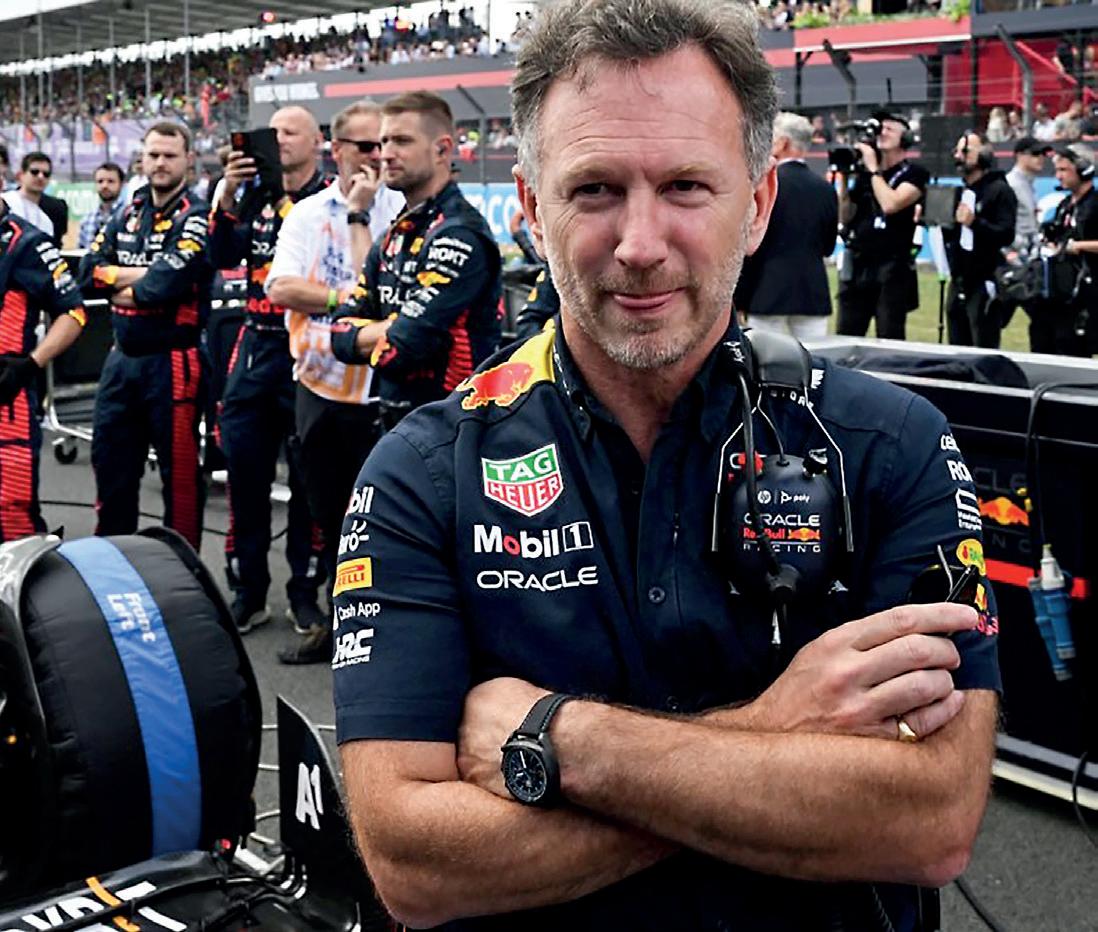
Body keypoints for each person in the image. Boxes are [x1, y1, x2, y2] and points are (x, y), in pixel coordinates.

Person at [332, 1, 1001, 929]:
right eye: (594, 190)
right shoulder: (420, 472)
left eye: (686, 186)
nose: (640, 246)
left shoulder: (892, 442)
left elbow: (929, 819)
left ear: (757, 204)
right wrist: (777, 737)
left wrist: (562, 741)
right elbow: (412, 861)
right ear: (531, 209)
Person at [265, 99, 404, 664]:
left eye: (385, 145)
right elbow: (281, 288)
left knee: (387, 519)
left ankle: (384, 632)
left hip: (385, 391)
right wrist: (346, 301)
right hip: (320, 386)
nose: (378, 157)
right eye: (367, 146)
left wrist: (361, 218)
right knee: (328, 515)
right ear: (338, 149)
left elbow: (394, 301)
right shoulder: (306, 214)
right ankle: (337, 620)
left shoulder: (400, 209)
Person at [208, 105, 332, 635]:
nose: (278, 139)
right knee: (244, 475)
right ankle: (248, 591)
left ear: (316, 141)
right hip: (256, 347)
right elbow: (219, 255)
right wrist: (227, 196)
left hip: (312, 348)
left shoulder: (333, 199)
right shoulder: (253, 193)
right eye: (273, 131)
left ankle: (305, 593)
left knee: (310, 482)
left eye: (289, 131)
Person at [330, 91, 502, 429]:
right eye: (384, 141)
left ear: (442, 150)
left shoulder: (459, 234)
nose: (385, 154)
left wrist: (374, 333)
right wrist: (391, 328)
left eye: (402, 141)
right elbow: (337, 335)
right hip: (397, 422)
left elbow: (403, 347)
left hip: (454, 427)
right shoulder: (394, 234)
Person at [77, 122, 213, 551]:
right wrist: (141, 275)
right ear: (142, 158)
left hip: (173, 360)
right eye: (153, 155)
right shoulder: (129, 210)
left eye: (170, 155)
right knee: (110, 465)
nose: (160, 163)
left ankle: (183, 569)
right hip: (121, 359)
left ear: (189, 159)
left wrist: (122, 282)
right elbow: (87, 273)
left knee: (180, 476)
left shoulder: (197, 215)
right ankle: (112, 564)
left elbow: (164, 285)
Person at [0, 200, 86, 541]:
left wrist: (31, 363)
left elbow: (74, 312)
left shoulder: (28, 242)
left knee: (13, 514)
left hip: (7, 401)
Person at [735, 111, 837, 341]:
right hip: (812, 292)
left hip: (767, 291)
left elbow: (751, 244)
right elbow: (828, 246)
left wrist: (740, 297)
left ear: (782, 143)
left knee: (763, 359)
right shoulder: (825, 189)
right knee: (813, 360)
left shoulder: (764, 186)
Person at [835, 110, 929, 340]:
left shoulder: (915, 174)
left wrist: (873, 170)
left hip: (892, 266)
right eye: (880, 129)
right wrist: (845, 178)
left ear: (905, 138)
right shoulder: (865, 176)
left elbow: (891, 204)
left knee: (889, 334)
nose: (882, 133)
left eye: (889, 129)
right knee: (846, 332)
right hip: (859, 263)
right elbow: (845, 216)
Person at [943, 132, 1016, 349]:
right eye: (956, 151)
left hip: (984, 277)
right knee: (956, 342)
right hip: (959, 277)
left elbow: (1005, 234)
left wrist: (975, 223)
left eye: (965, 151)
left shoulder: (999, 190)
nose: (959, 156)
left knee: (983, 342)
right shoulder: (961, 191)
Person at [1037, 143, 1098, 356]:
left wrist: (1078, 246)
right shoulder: (1065, 205)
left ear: (1083, 169)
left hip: (1090, 290)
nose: (1058, 176)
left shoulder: (1095, 204)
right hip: (1062, 289)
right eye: (1057, 170)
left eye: (1064, 170)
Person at [998, 136, 1046, 337]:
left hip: (1025, 259)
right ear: (1019, 156)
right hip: (1015, 260)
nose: (1041, 158)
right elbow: (1002, 222)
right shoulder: (1012, 184)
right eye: (1035, 154)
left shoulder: (1026, 184)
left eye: (1043, 154)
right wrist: (1007, 252)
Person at [2, 152, 57, 241]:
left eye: (46, 174)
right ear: (21, 175)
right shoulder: (5, 201)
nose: (40, 177)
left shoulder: (46, 222)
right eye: (34, 172)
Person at [78, 162, 125, 249]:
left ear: (121, 184)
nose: (104, 186)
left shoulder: (129, 216)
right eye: (100, 181)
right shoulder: (87, 219)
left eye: (110, 181)